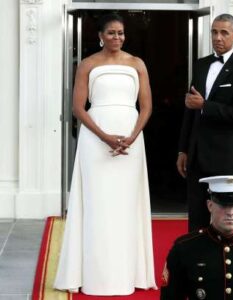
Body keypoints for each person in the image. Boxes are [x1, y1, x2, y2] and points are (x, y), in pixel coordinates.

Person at [54, 13, 157, 295]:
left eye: (121, 33)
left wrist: (133, 136)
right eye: (111, 33)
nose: (117, 38)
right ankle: (94, 276)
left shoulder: (137, 64)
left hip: (131, 142)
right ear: (100, 35)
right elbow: (78, 107)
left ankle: (127, 274)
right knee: (97, 204)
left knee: (125, 205)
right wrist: (104, 137)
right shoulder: (88, 64)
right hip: (95, 141)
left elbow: (146, 106)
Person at [176, 14, 233, 232]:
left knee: (227, 221)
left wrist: (205, 105)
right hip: (197, 156)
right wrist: (183, 150)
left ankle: (223, 265)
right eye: (214, 32)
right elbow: (190, 111)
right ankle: (196, 264)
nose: (218, 37)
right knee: (196, 219)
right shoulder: (201, 65)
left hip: (226, 158)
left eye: (224, 32)